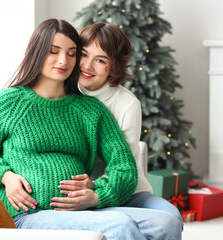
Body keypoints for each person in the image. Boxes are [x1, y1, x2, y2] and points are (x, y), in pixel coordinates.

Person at [0, 19, 181, 240]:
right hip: (30, 213)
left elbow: (124, 168)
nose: (63, 60)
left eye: (72, 53)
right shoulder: (9, 101)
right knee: (121, 226)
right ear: (37, 52)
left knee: (166, 223)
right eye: (54, 51)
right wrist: (6, 176)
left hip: (85, 210)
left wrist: (96, 196)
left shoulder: (90, 109)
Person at [58, 22, 184, 234]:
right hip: (81, 188)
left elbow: (124, 165)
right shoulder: (64, 91)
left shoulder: (127, 104)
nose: (87, 66)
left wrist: (96, 188)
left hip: (129, 190)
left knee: (171, 216)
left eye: (100, 60)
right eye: (84, 55)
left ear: (115, 66)